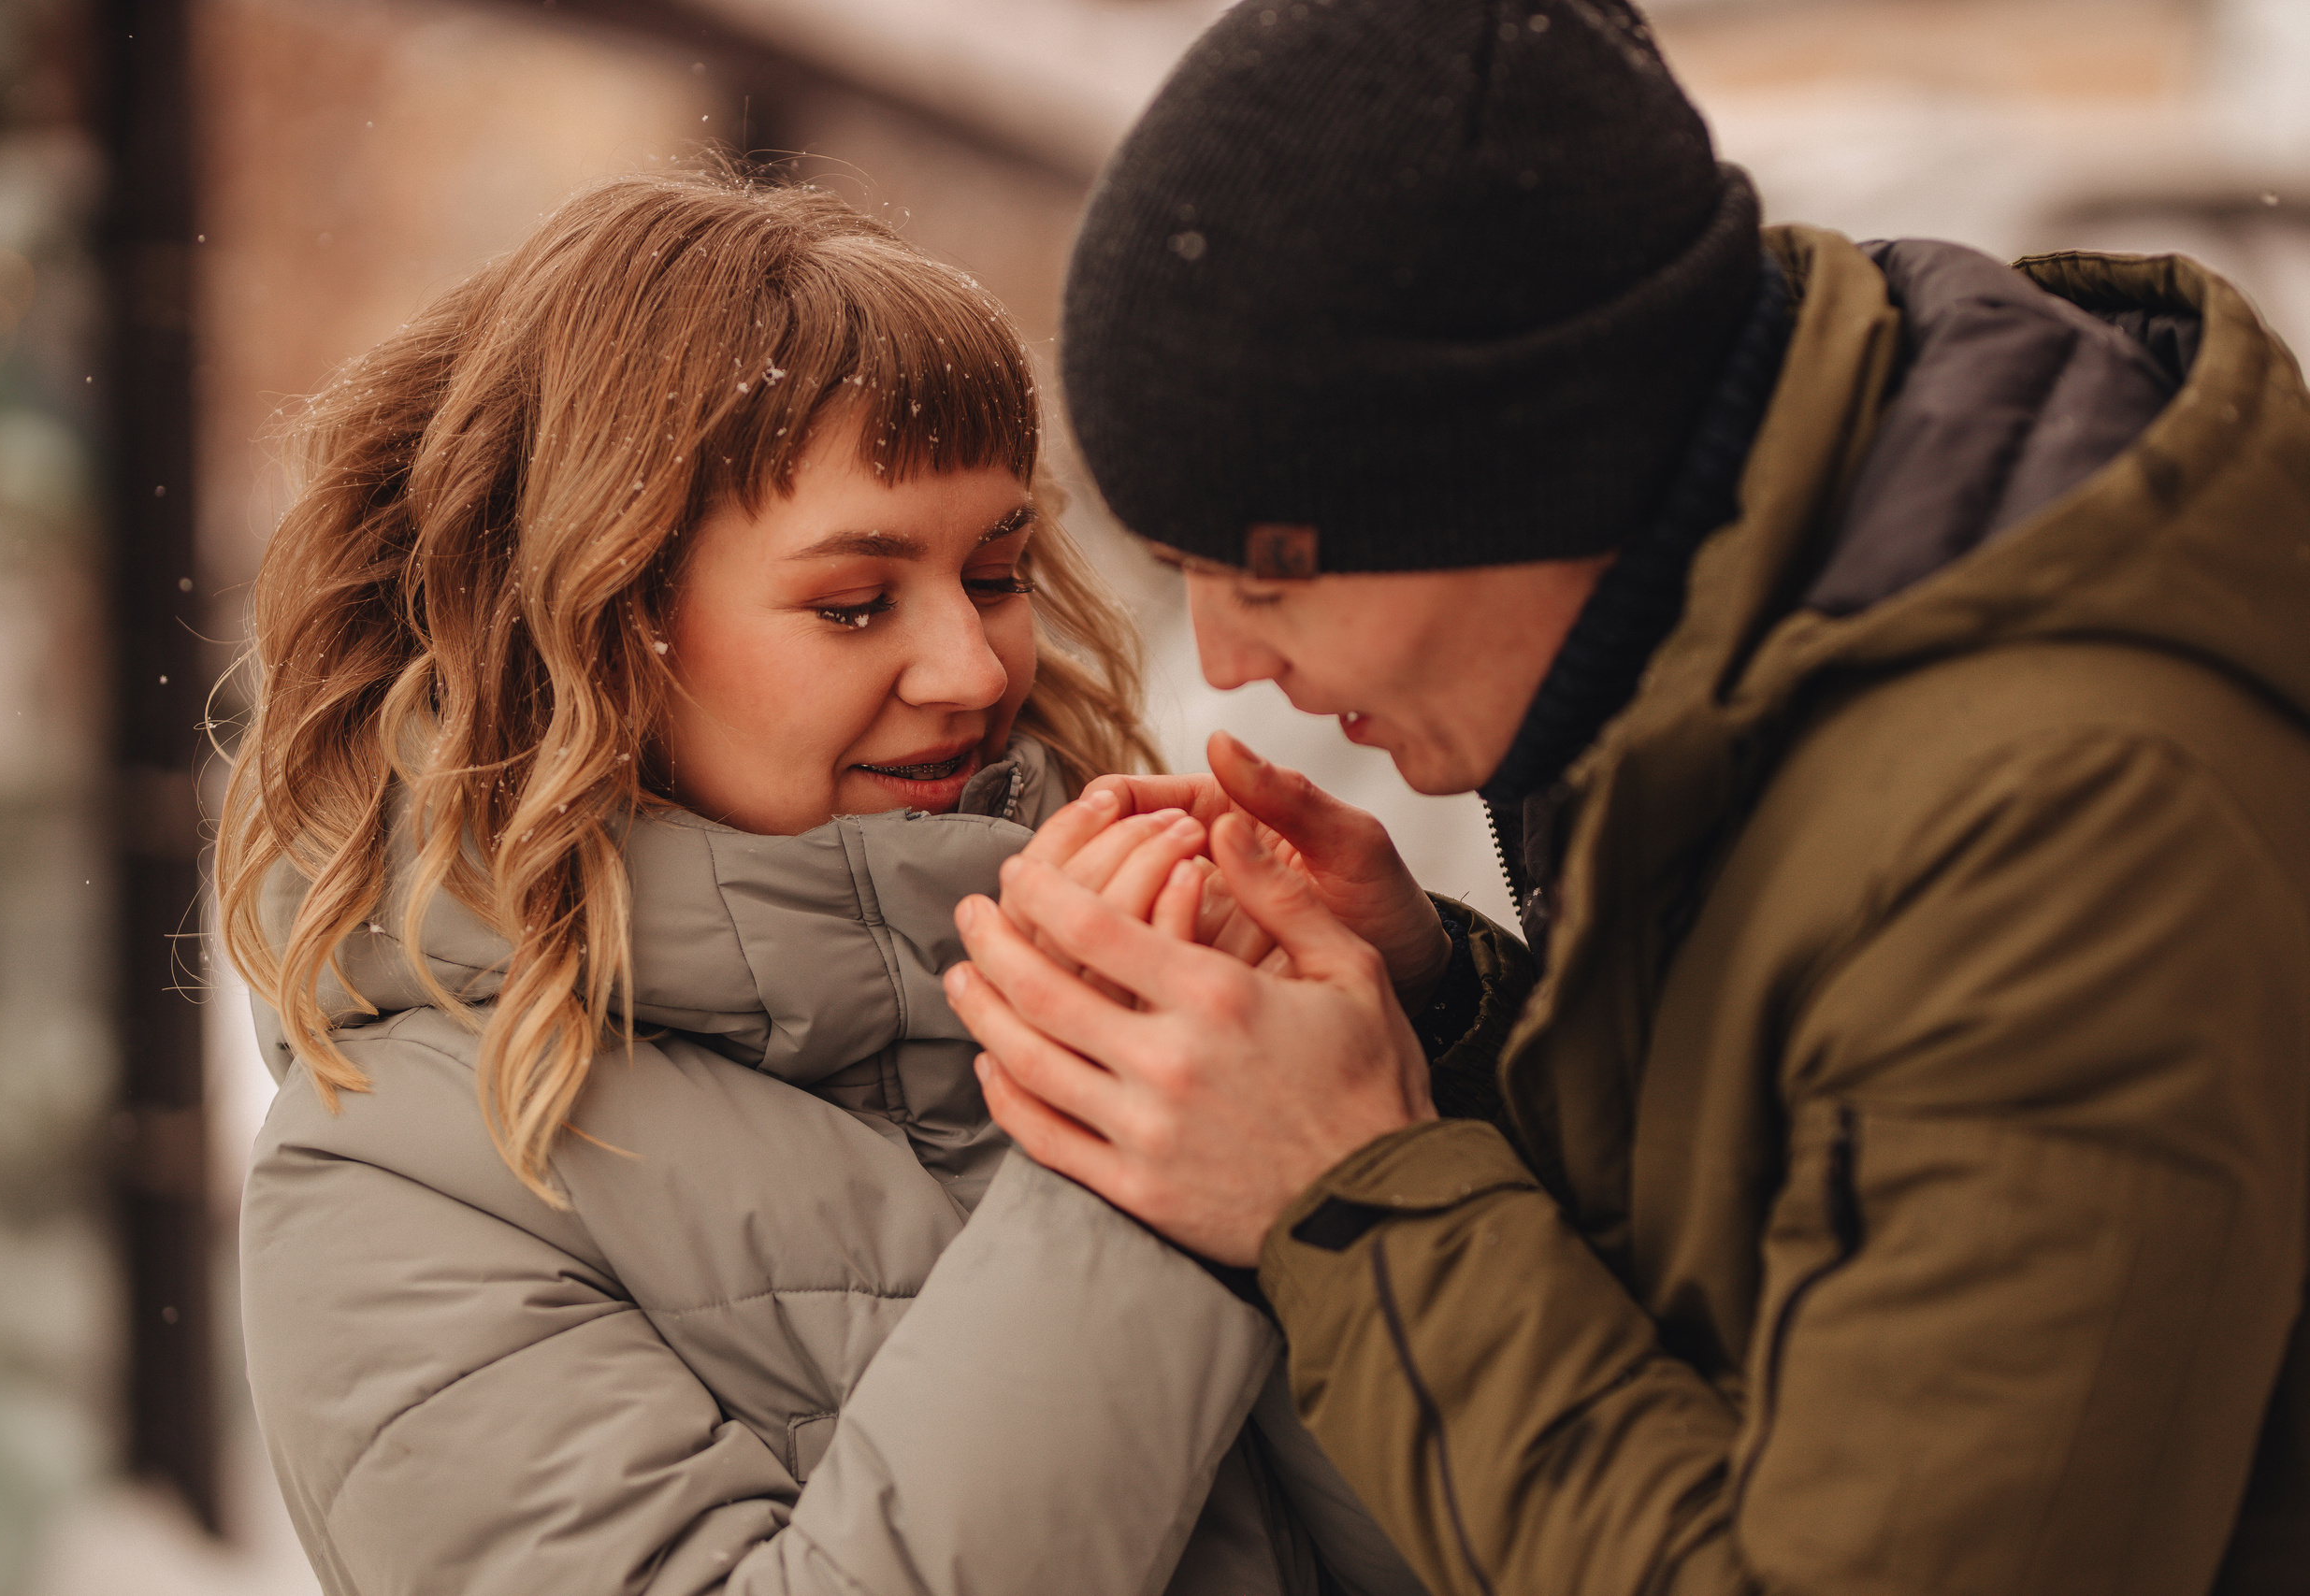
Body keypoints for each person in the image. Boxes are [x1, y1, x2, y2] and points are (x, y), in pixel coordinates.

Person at [943, 3, 2310, 1592]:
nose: (1232, 665)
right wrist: (1437, 1020)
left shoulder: (2065, 821)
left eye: (1267, 573)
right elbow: (1774, 1235)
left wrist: (1341, 1186)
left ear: (1512, 466)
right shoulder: (1779, 628)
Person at [214, 167, 1428, 1596]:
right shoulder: (401, 1181)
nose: (973, 672)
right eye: (853, 604)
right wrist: (1131, 1165)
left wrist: (1423, 1026)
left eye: (995, 573)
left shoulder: (1163, 981)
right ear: (588, 625)